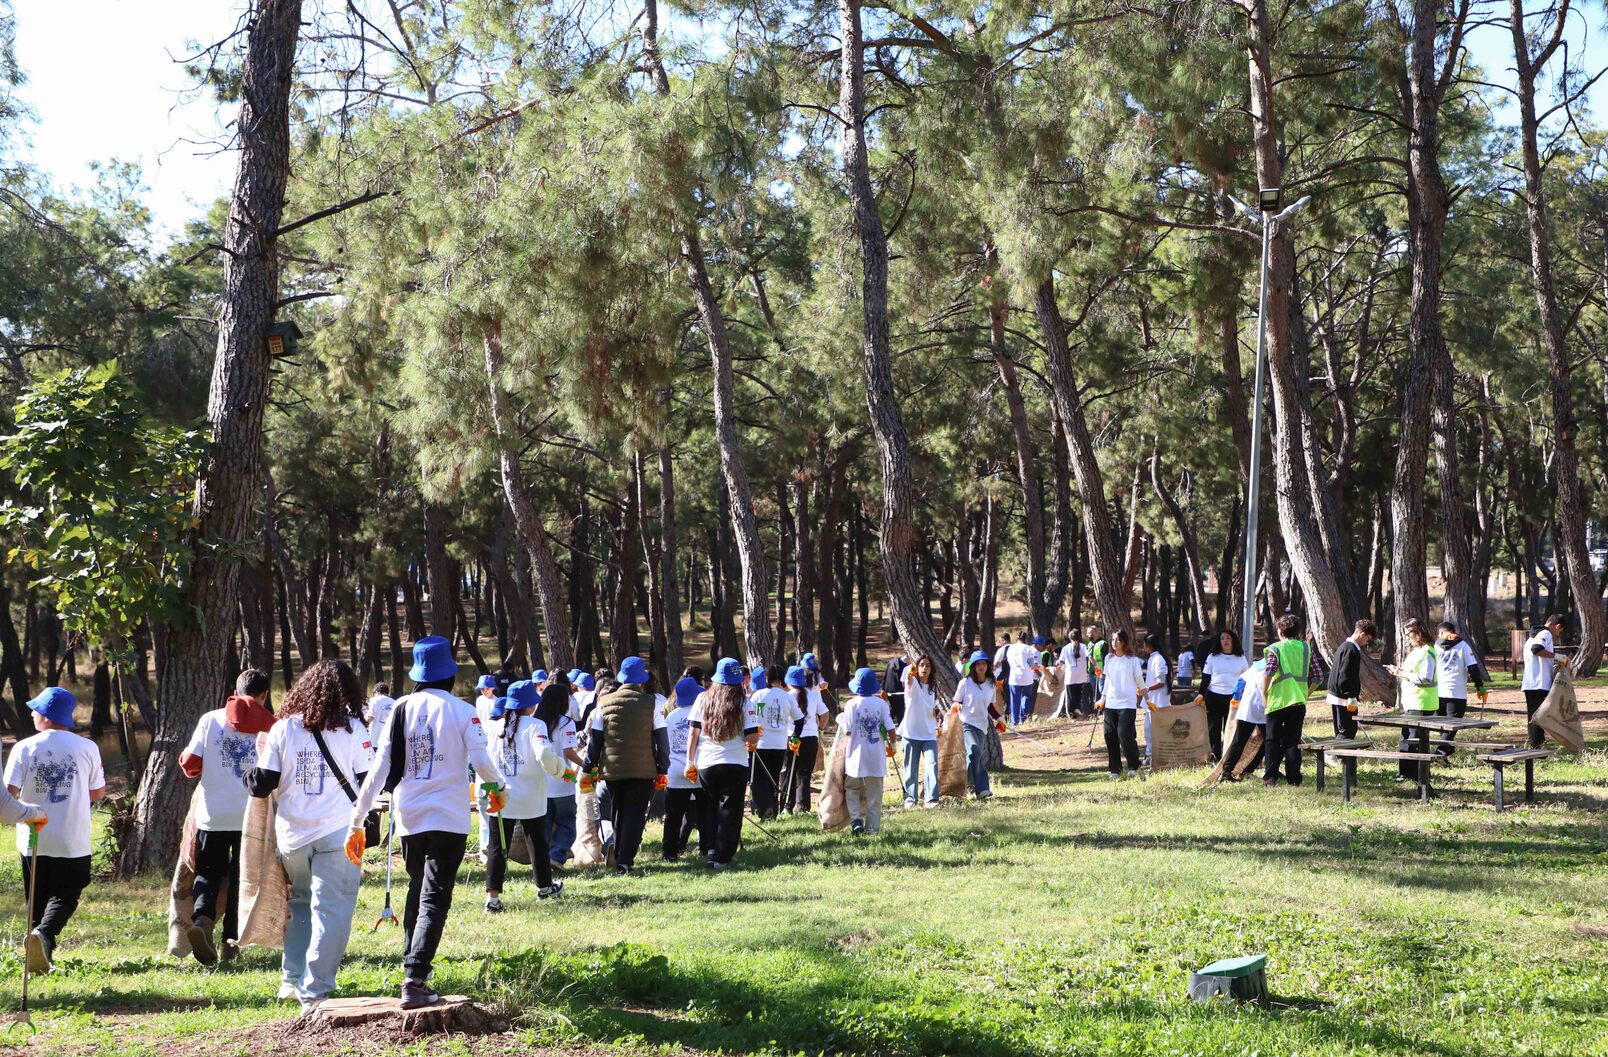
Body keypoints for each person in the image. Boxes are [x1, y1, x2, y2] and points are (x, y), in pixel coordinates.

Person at [348, 636, 506, 1010]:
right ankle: (415, 977)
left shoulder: (400, 708)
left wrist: (357, 817)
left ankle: (411, 966)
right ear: (450, 674)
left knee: (417, 890)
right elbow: (482, 761)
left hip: (410, 818)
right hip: (449, 818)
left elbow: (380, 769)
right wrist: (498, 788)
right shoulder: (461, 709)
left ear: (418, 675)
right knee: (434, 898)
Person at [245, 661, 370, 1014]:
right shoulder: (354, 729)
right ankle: (315, 991)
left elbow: (262, 783)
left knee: (300, 902)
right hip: (339, 831)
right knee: (332, 910)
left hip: (292, 836)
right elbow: (369, 780)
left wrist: (255, 763)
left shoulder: (284, 728)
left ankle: (291, 978)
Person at [178, 668, 275, 965]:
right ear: (264, 696)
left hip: (213, 814)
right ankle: (230, 942)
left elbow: (190, 763)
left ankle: (203, 920)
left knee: (207, 873)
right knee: (240, 880)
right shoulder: (273, 727)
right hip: (252, 817)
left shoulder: (210, 719)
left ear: (235, 689)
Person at [6, 687, 103, 974]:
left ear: (46, 716)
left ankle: (36, 948)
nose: (32, 714)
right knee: (67, 892)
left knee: (36, 897)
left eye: (36, 710)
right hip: (70, 837)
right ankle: (44, 937)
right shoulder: (87, 747)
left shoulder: (23, 747)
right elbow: (97, 793)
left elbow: (8, 792)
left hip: (32, 833)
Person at [582, 657, 670, 876]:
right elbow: (662, 740)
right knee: (635, 814)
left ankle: (617, 848)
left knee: (618, 811)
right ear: (642, 679)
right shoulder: (653, 703)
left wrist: (587, 767)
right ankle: (624, 861)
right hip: (643, 770)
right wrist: (662, 768)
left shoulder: (604, 703)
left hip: (612, 771)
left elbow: (596, 741)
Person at [483, 680, 565, 911]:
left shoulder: (496, 727)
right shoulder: (536, 726)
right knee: (538, 843)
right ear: (531, 704)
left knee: (497, 847)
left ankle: (493, 899)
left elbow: (485, 760)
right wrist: (560, 770)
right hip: (531, 797)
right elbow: (545, 757)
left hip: (501, 796)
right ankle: (544, 887)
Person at [685, 658, 759, 869]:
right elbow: (752, 737)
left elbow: (693, 733)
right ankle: (723, 856)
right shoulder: (745, 702)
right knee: (730, 810)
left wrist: (689, 762)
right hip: (735, 762)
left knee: (709, 807)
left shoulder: (702, 698)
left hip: (706, 762)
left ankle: (709, 849)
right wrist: (754, 737)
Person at [840, 668, 896, 835]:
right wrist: (892, 745)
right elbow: (891, 729)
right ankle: (872, 829)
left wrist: (841, 720)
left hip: (855, 756)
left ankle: (856, 818)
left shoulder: (850, 704)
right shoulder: (881, 704)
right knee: (874, 795)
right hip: (875, 756)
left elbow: (848, 731)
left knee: (852, 789)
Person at [1260, 614, 1314, 787]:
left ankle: (1270, 777)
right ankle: (1294, 778)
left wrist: (1264, 693)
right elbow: (1319, 677)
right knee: (1293, 741)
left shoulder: (1276, 648)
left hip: (1278, 701)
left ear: (1280, 631)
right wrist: (1306, 693)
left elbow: (1269, 671)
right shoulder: (1305, 648)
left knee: (1272, 740)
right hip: (1298, 701)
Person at [537, 678, 583, 871]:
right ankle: (556, 856)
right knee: (567, 823)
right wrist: (586, 764)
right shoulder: (567, 723)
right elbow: (569, 752)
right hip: (563, 781)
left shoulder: (536, 722)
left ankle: (543, 858)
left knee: (545, 824)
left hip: (541, 783)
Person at [750, 664, 802, 820]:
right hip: (779, 744)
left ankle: (764, 807)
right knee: (773, 778)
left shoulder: (758, 695)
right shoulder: (788, 697)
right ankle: (772, 811)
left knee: (758, 779)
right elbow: (799, 720)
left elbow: (749, 716)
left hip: (760, 743)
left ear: (767, 678)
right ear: (782, 679)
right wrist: (795, 737)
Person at [1389, 619, 1439, 781]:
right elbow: (1413, 672)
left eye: (1409, 634)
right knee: (1406, 738)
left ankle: (1415, 774)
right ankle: (1407, 773)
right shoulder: (1418, 651)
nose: (1407, 637)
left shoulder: (1427, 652)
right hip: (1413, 701)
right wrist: (1400, 671)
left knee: (1412, 739)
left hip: (1421, 702)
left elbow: (1426, 678)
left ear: (1419, 633)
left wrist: (1402, 674)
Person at [951, 650, 1003, 799]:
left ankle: (980, 789)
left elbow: (989, 707)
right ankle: (972, 785)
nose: (981, 666)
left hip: (982, 725)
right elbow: (957, 701)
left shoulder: (991, 685)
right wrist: (957, 705)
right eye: (978, 664)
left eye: (984, 663)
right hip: (967, 723)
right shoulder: (965, 683)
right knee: (974, 750)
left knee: (976, 755)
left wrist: (999, 718)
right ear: (972, 666)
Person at [663, 676, 704, 860]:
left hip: (675, 770)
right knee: (705, 814)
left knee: (673, 816)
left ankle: (669, 853)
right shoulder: (702, 713)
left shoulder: (670, 716)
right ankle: (707, 849)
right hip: (697, 769)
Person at [1097, 630, 1143, 778]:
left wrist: (1146, 696)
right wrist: (1102, 698)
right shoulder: (1109, 658)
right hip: (1111, 702)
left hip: (1127, 704)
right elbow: (1108, 680)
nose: (1114, 642)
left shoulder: (1132, 660)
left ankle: (1133, 766)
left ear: (1124, 642)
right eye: (1112, 640)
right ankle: (1115, 769)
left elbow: (1139, 679)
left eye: (1117, 640)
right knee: (1109, 735)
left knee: (1124, 734)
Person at [785, 665, 831, 813]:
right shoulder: (813, 694)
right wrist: (820, 730)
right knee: (804, 774)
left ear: (789, 681)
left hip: (791, 736)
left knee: (788, 772)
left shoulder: (787, 696)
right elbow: (825, 714)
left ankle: (786, 805)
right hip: (811, 737)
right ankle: (803, 807)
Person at [897, 656, 941, 807]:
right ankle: (910, 798)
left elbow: (932, 707)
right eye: (921, 665)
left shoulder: (933, 687)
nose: (924, 668)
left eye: (928, 665)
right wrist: (911, 671)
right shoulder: (912, 682)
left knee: (932, 764)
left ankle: (931, 798)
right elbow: (907, 678)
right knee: (911, 768)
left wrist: (937, 713)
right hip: (911, 732)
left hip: (929, 732)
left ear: (931, 669)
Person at [1201, 630, 1249, 761]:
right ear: (1219, 641)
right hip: (1214, 696)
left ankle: (1229, 757)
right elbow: (1206, 677)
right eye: (1222, 638)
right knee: (1213, 729)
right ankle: (1214, 757)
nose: (1225, 640)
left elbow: (1246, 678)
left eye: (1228, 638)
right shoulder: (1212, 657)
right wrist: (1200, 694)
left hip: (1233, 698)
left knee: (1231, 728)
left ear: (1233, 640)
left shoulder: (1241, 658)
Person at [1218, 659, 1268, 781]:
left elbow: (1240, 682)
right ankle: (1249, 770)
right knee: (1270, 742)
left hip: (1247, 707)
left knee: (1239, 741)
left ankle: (1226, 772)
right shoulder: (1275, 667)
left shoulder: (1255, 666)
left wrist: (1237, 698)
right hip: (1264, 708)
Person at [1324, 620, 1374, 738]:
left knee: (1341, 730)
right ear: (1362, 634)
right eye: (1367, 639)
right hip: (1344, 698)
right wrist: (1351, 695)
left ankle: (1342, 756)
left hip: (1337, 695)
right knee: (1347, 732)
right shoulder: (1351, 649)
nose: (1366, 643)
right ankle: (1343, 756)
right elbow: (1345, 675)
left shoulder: (1343, 646)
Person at [1521, 614, 1565, 749]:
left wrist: (1553, 663)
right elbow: (1537, 650)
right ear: (1557, 626)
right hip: (1539, 682)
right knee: (1539, 715)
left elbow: (1538, 658)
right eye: (1560, 631)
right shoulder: (1546, 633)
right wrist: (1558, 656)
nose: (1558, 634)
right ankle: (1536, 746)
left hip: (1530, 682)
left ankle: (1535, 743)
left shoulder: (1533, 636)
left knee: (1534, 715)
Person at [1137, 634, 1170, 768]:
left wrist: (1145, 689)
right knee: (1148, 730)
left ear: (1149, 645)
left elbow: (1161, 682)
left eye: (1145, 644)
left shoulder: (1159, 659)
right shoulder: (1153, 659)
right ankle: (1150, 757)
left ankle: (1156, 759)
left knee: (1153, 731)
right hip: (1152, 702)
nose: (1143, 647)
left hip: (1158, 702)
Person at [1003, 632, 1042, 726]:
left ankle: (1014, 721)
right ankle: (1023, 718)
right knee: (1026, 697)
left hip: (1014, 677)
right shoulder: (1027, 648)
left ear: (1016, 638)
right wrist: (1036, 667)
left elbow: (1008, 661)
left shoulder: (1010, 648)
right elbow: (1031, 664)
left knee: (1014, 699)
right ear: (1026, 639)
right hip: (1027, 677)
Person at [1055, 628, 1091, 718]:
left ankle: (1071, 715)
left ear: (1069, 637)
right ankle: (1078, 710)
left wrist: (1064, 667)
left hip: (1070, 675)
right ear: (1079, 637)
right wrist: (1096, 666)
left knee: (1070, 697)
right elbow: (1090, 656)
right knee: (1078, 695)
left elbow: (1060, 662)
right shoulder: (1083, 646)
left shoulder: (1066, 648)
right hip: (1081, 675)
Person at [884, 652, 910, 726]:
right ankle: (887, 724)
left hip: (889, 691)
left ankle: (886, 723)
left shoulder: (892, 662)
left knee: (895, 709)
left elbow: (885, 676)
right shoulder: (905, 667)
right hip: (898, 692)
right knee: (899, 710)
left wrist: (883, 689)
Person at [1089, 627, 1109, 704]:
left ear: (1095, 633)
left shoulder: (1103, 643)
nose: (1087, 635)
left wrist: (1102, 673)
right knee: (1094, 692)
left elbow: (1105, 659)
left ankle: (1104, 708)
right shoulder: (1089, 644)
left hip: (1100, 672)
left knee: (1102, 690)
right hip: (1091, 672)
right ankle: (1097, 708)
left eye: (1089, 633)